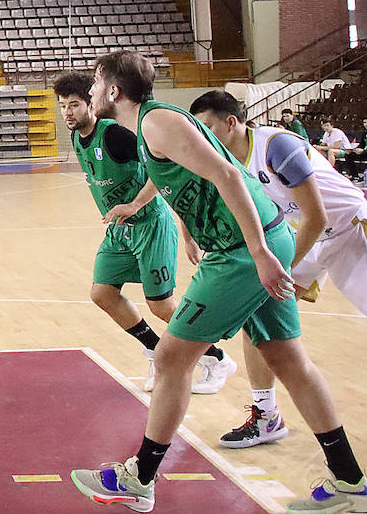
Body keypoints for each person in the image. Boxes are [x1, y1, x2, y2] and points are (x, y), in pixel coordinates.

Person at [71, 52, 367, 514]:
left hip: (240, 252)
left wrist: (259, 253)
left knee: (172, 356)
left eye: (95, 83)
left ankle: (141, 479)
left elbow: (229, 173)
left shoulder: (156, 123)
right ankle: (353, 483)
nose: (91, 91)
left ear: (114, 91)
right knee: (288, 359)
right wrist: (178, 223)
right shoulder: (147, 131)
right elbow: (179, 179)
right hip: (247, 242)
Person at [191, 91, 367, 451]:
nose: (202, 137)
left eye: (207, 127)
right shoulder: (223, 163)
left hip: (348, 230)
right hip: (303, 236)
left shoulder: (276, 146)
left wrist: (277, 268)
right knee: (257, 309)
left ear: (231, 123)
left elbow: (318, 217)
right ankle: (267, 416)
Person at [52, 74, 234, 394]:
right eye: (62, 106)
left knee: (161, 305)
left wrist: (140, 206)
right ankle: (153, 348)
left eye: (75, 105)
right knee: (103, 294)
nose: (67, 112)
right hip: (121, 230)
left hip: (150, 222)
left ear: (91, 105)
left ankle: (216, 358)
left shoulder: (115, 136)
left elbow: (162, 168)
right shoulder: (79, 139)